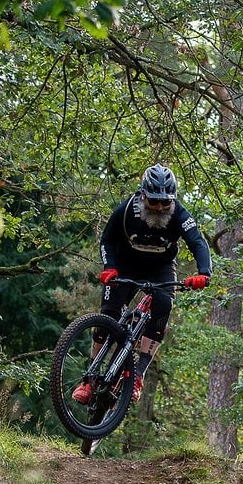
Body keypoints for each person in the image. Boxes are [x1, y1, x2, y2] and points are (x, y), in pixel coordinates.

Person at [73, 163, 212, 404]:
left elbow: (198, 242)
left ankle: (138, 375)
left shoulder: (180, 215)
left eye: (165, 202)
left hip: (161, 268)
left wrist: (204, 273)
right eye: (153, 201)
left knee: (163, 306)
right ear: (142, 195)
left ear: (173, 199)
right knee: (108, 314)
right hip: (125, 264)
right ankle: (90, 378)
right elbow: (107, 240)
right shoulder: (126, 210)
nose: (159, 207)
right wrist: (110, 268)